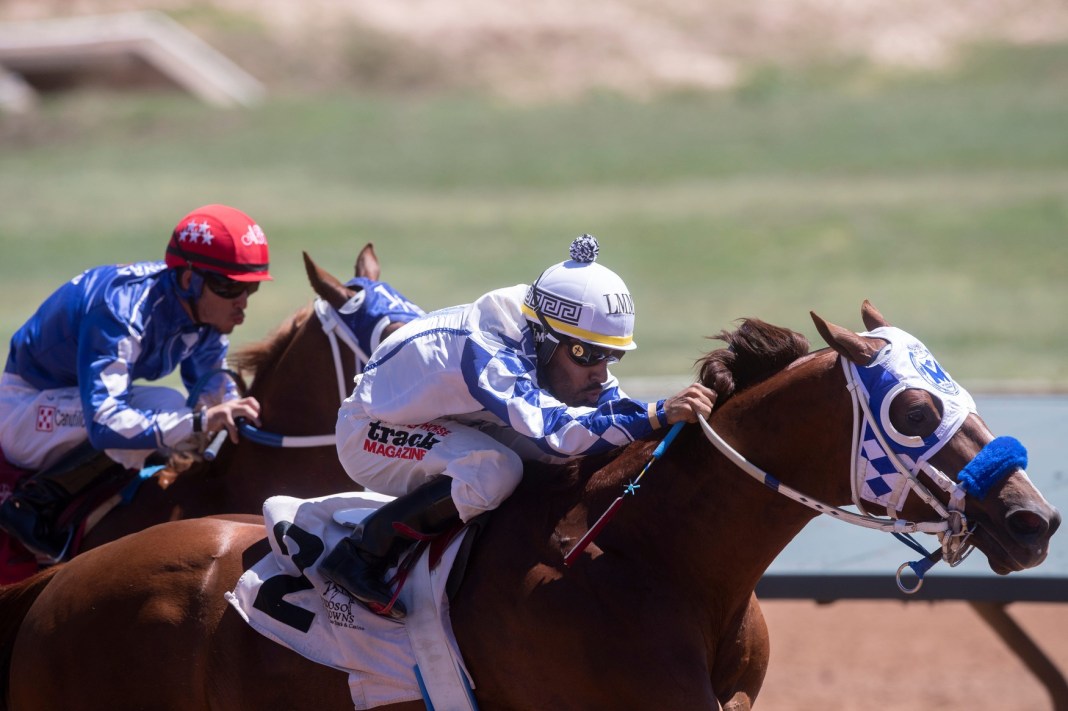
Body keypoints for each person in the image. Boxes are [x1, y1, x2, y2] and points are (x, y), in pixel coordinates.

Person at [321, 233, 716, 619]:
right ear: (544, 339)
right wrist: (657, 412)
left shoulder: (553, 332)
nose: (599, 372)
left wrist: (661, 420)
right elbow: (560, 432)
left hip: (451, 418)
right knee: (495, 470)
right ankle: (361, 554)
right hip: (369, 431)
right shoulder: (489, 349)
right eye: (586, 355)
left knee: (561, 459)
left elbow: (608, 412)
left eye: (610, 357)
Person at [0, 203, 270, 561]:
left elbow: (214, 395)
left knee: (177, 411)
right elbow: (105, 424)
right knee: (169, 410)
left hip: (69, 403)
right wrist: (201, 422)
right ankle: (33, 503)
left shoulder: (203, 314)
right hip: (26, 410)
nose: (242, 304)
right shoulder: (121, 310)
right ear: (190, 280)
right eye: (230, 287)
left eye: (250, 289)